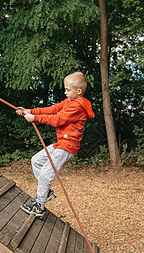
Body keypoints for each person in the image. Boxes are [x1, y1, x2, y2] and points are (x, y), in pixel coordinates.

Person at [16, 72, 95, 218]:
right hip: (61, 143)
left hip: (67, 146)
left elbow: (57, 120)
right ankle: (46, 193)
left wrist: (34, 118)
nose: (65, 92)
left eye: (68, 90)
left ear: (78, 91)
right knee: (36, 161)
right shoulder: (68, 103)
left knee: (46, 174)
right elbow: (52, 109)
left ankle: (39, 206)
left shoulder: (77, 107)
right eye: (65, 89)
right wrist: (30, 111)